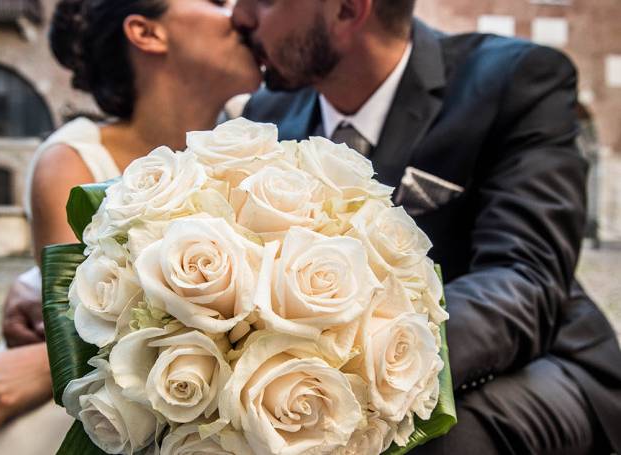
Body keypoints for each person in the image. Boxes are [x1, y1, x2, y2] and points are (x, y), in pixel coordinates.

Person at [232, 0, 621, 453]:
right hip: (315, 386)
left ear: (347, 10)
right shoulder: (267, 111)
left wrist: (359, 364)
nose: (239, 16)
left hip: (538, 359)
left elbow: (525, 277)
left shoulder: (514, 79)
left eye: (263, 1)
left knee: (432, 442)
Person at [0, 0, 260, 452]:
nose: (236, 13)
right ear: (147, 33)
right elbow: (82, 332)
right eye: (211, 1)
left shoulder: (260, 134)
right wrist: (48, 351)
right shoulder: (73, 162)